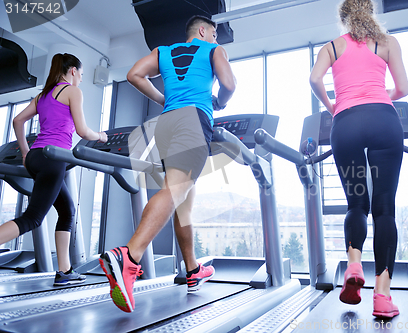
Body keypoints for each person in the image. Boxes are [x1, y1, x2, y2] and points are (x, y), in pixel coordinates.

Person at [99, 15, 236, 313]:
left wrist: (164, 98)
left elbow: (135, 74)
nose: (216, 38)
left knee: (182, 197)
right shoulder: (213, 51)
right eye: (213, 33)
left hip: (168, 122)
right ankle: (129, 257)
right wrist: (221, 101)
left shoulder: (163, 51)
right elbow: (229, 83)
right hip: (194, 120)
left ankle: (192, 269)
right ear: (203, 31)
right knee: (176, 190)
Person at [310, 0, 408, 319]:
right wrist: (379, 98)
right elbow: (404, 89)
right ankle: (382, 297)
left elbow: (314, 80)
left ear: (343, 19)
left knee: (356, 204)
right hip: (384, 121)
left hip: (346, 124)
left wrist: (333, 106)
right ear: (371, 12)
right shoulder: (388, 42)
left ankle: (354, 263)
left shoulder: (332, 46)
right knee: (384, 209)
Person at [0, 53, 108, 286]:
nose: (80, 78)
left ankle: (64, 271)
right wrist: (100, 136)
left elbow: (17, 121)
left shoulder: (43, 95)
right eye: (80, 73)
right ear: (72, 71)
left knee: (67, 210)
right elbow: (82, 130)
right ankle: (64, 271)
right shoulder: (72, 91)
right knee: (33, 219)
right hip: (53, 158)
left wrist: (26, 152)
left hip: (36, 157)